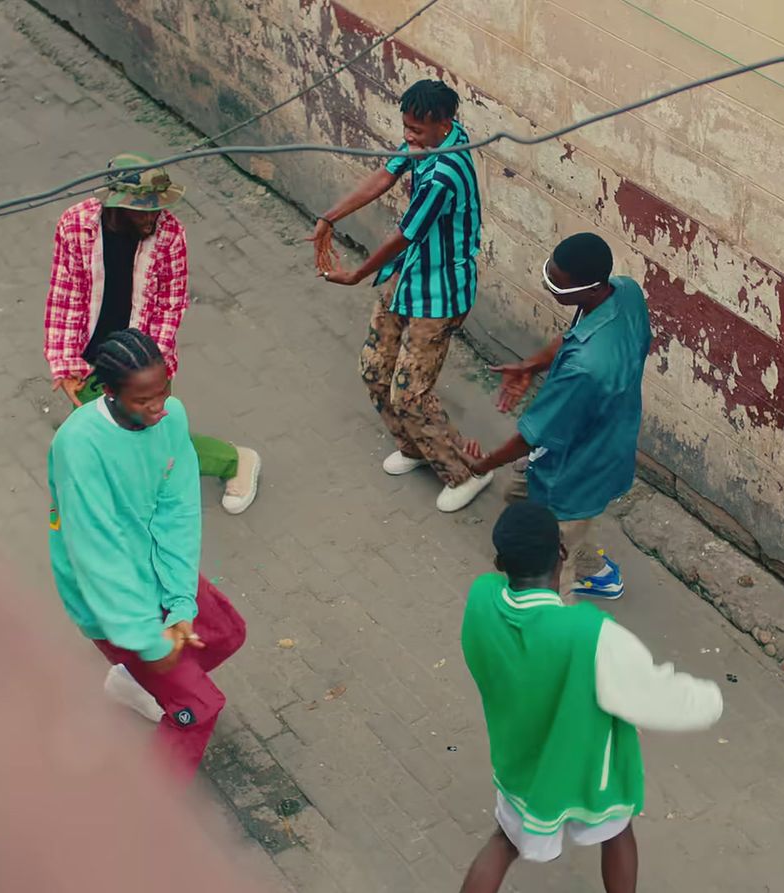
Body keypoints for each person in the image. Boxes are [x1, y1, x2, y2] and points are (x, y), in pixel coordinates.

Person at [458, 502, 723, 893]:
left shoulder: (481, 598)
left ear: (499, 562)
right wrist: (711, 700)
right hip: (590, 771)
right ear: (562, 553)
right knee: (617, 833)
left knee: (503, 841)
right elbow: (651, 695)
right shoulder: (589, 633)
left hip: (523, 763)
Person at [47, 329, 247, 781]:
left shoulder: (171, 418)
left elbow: (178, 511)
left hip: (156, 569)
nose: (158, 407)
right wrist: (146, 640)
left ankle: (134, 681)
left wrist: (179, 601)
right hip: (110, 598)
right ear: (111, 392)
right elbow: (96, 555)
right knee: (198, 708)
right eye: (143, 400)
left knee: (227, 633)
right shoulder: (79, 447)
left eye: (164, 391)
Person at [310, 79, 491, 513]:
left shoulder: (445, 173)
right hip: (407, 280)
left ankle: (465, 471)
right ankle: (414, 447)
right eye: (405, 127)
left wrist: (356, 273)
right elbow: (384, 174)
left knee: (409, 392)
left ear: (443, 123)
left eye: (417, 129)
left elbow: (405, 235)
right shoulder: (428, 138)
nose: (408, 136)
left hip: (440, 295)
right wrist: (329, 218)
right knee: (374, 369)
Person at [45, 151, 261, 514]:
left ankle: (235, 461)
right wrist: (66, 364)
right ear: (115, 204)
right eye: (141, 210)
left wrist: (148, 371)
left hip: (143, 362)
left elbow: (169, 307)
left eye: (156, 208)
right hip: (89, 362)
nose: (152, 218)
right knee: (103, 436)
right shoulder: (75, 225)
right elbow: (65, 293)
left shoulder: (171, 235)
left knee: (152, 444)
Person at [467, 233, 652, 599]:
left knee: (553, 562)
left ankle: (555, 637)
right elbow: (574, 337)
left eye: (557, 283)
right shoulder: (625, 293)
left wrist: (481, 465)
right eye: (549, 271)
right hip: (605, 443)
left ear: (592, 288)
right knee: (523, 502)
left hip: (575, 468)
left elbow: (530, 438)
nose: (548, 283)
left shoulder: (585, 369)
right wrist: (529, 366)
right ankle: (595, 571)